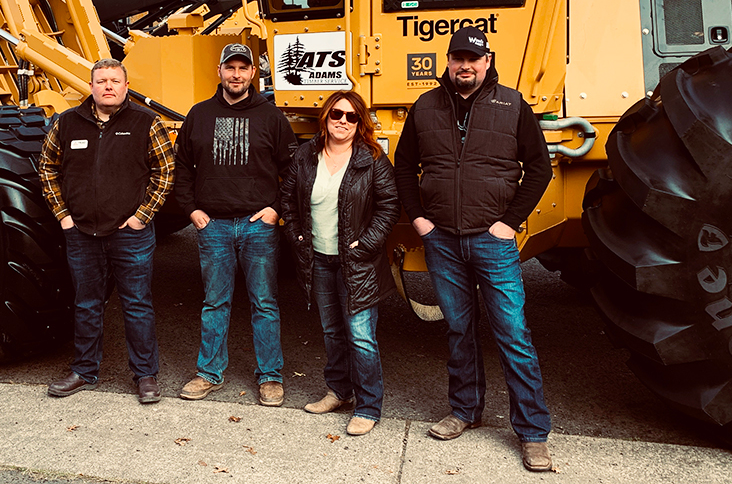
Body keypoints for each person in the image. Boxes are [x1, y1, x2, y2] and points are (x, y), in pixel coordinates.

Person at [393, 27, 554, 471]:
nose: (465, 66)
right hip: (442, 238)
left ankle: (533, 432)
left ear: (487, 61)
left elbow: (539, 169)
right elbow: (404, 165)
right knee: (459, 329)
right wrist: (419, 218)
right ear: (447, 61)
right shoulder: (425, 105)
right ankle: (464, 411)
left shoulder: (512, 104)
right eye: (457, 58)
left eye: (473, 59)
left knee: (513, 334)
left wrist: (509, 223)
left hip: (492, 239)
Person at [38, 57, 174, 404]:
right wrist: (63, 215)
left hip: (130, 234)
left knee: (137, 304)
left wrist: (142, 216)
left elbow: (166, 172)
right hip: (81, 233)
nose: (108, 86)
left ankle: (145, 375)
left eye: (115, 81)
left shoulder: (146, 122)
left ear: (126, 87)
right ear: (92, 86)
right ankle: (84, 370)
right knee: (86, 304)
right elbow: (47, 168)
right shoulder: (67, 123)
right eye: (102, 81)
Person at [175, 43, 295, 407]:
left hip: (259, 226)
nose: (237, 74)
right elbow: (181, 168)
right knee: (215, 301)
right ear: (220, 71)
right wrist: (191, 210)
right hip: (214, 226)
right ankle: (209, 372)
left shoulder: (271, 117)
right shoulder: (199, 115)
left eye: (244, 68)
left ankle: (270, 376)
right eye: (231, 68)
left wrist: (277, 210)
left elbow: (292, 171)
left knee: (265, 302)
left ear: (253, 73)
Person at [280, 91, 399, 436]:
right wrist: (298, 236)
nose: (342, 122)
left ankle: (368, 406)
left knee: (361, 336)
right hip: (318, 258)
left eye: (350, 116)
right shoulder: (306, 155)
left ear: (360, 122)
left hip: (357, 262)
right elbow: (288, 198)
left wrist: (368, 243)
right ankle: (339, 391)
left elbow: (389, 206)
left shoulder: (371, 159)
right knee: (332, 331)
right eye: (336, 115)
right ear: (326, 118)